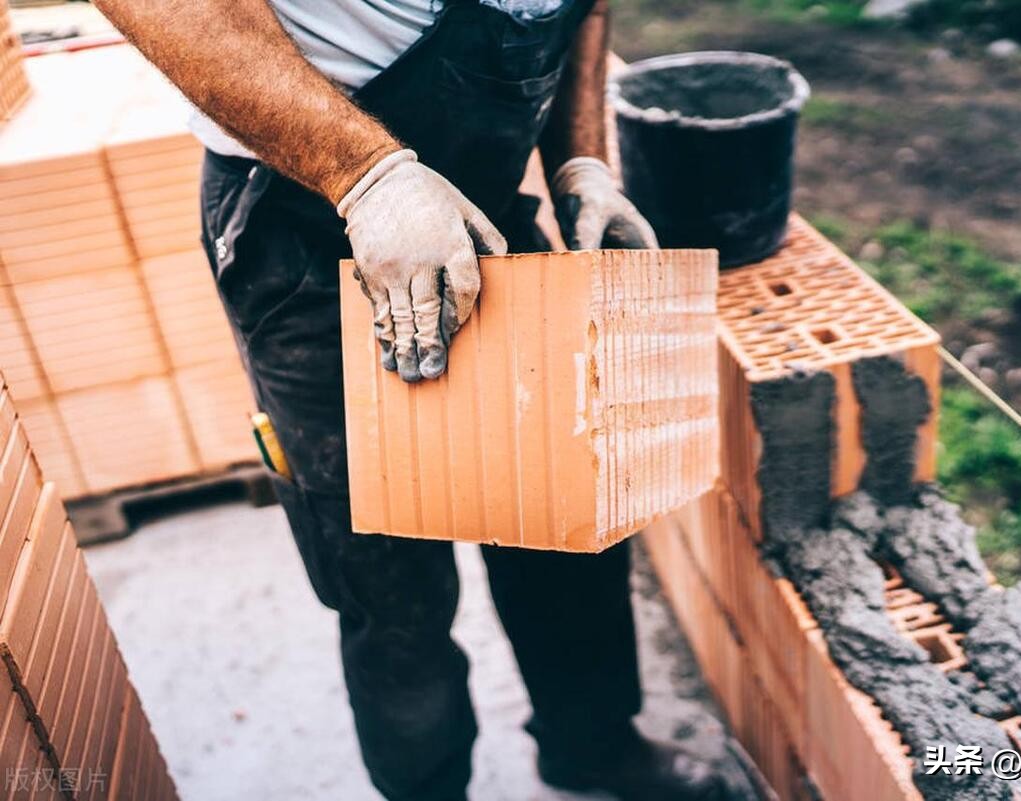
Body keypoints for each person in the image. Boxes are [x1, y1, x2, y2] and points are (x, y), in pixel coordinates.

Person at [92, 1, 732, 799]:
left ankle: (591, 745)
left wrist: (582, 163)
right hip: (309, 218)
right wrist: (368, 177)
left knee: (569, 516)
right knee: (391, 586)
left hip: (485, 202)